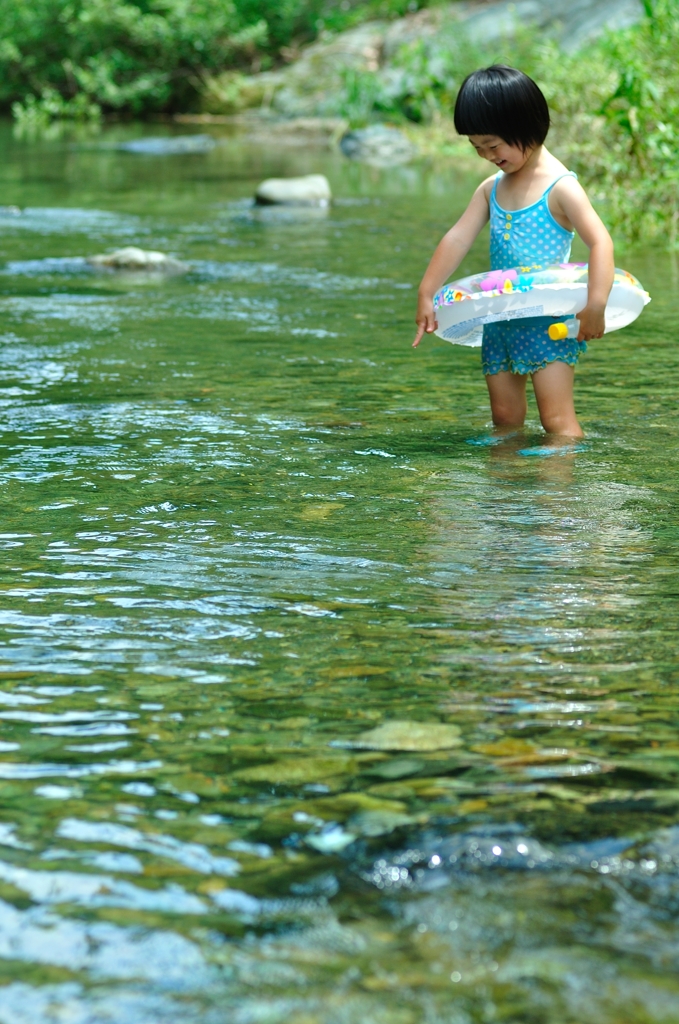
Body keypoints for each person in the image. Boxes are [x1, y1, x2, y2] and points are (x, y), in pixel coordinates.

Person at [413, 65, 614, 439]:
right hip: (499, 320)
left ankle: (558, 496)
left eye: (493, 145)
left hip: (548, 324)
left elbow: (601, 241)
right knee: (504, 420)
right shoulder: (490, 188)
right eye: (477, 148)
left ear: (527, 125)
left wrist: (596, 303)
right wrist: (427, 292)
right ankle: (507, 492)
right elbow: (458, 238)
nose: (487, 155)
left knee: (557, 422)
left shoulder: (560, 188)